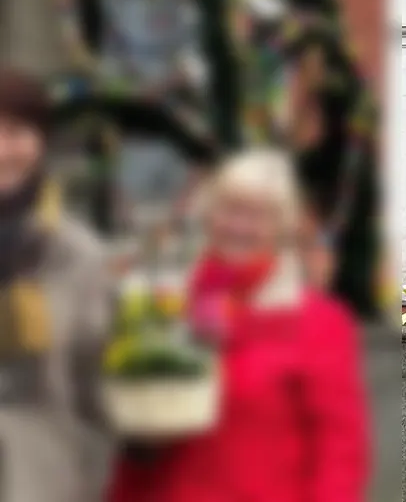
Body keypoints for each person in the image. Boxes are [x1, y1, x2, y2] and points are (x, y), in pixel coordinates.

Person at [108, 147, 371, 502]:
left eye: (258, 215)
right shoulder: (169, 303)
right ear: (208, 214)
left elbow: (338, 452)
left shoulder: (318, 322)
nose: (239, 226)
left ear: (282, 227)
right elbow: (132, 452)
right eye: (229, 209)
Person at [0, 67, 118, 502]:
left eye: (14, 131)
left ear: (40, 141)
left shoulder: (78, 255)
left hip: (47, 481)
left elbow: (99, 387)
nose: (1, 150)